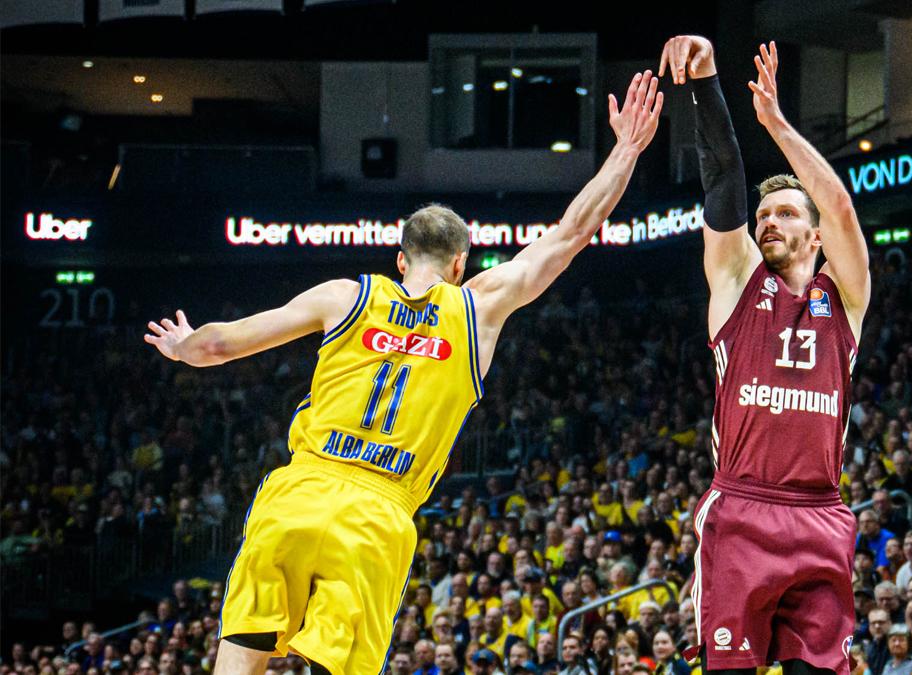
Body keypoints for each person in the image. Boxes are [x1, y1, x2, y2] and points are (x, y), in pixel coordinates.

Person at [144, 70, 664, 675]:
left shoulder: (345, 296)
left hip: (297, 493)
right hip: (376, 514)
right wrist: (626, 149)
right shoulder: (476, 308)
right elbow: (571, 233)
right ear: (460, 262)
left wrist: (182, 345)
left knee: (239, 660)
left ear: (399, 258)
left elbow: (222, 346)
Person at [658, 35, 869, 675]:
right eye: (763, 214)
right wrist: (706, 84)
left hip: (820, 513)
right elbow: (722, 173)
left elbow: (839, 205)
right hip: (742, 510)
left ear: (813, 234)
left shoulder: (848, 294)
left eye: (783, 213)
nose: (766, 222)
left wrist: (776, 124)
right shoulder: (735, 280)